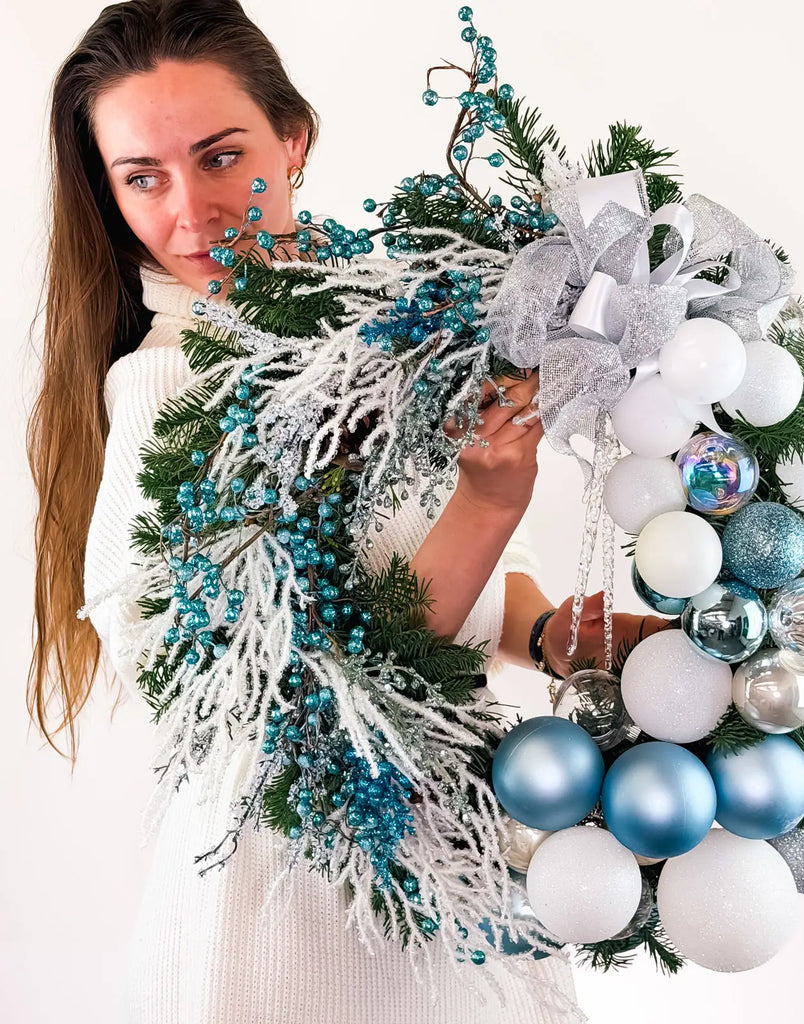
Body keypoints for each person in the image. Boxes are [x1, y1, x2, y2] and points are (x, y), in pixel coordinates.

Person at [26, 1, 669, 1020]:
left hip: (443, 873)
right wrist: (488, 502)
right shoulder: (167, 389)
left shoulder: (374, 329)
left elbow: (414, 566)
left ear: (293, 139)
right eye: (143, 177)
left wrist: (551, 631)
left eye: (221, 157)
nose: (192, 213)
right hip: (289, 918)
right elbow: (328, 689)